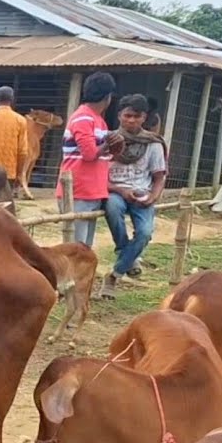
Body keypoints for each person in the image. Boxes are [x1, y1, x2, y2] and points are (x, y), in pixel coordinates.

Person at [101, 94, 168, 298]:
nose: (131, 120)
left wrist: (153, 197)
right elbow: (98, 175)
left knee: (145, 232)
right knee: (112, 208)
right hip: (115, 191)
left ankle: (116, 272)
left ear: (144, 117)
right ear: (119, 115)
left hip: (142, 193)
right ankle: (126, 253)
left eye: (136, 116)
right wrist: (120, 190)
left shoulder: (154, 144)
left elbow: (159, 177)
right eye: (127, 115)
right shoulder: (108, 141)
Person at [57, 71, 121, 247]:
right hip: (79, 190)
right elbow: (89, 153)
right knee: (76, 247)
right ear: (108, 97)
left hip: (91, 191)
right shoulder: (83, 118)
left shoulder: (98, 120)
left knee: (85, 247)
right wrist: (109, 145)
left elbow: (103, 155)